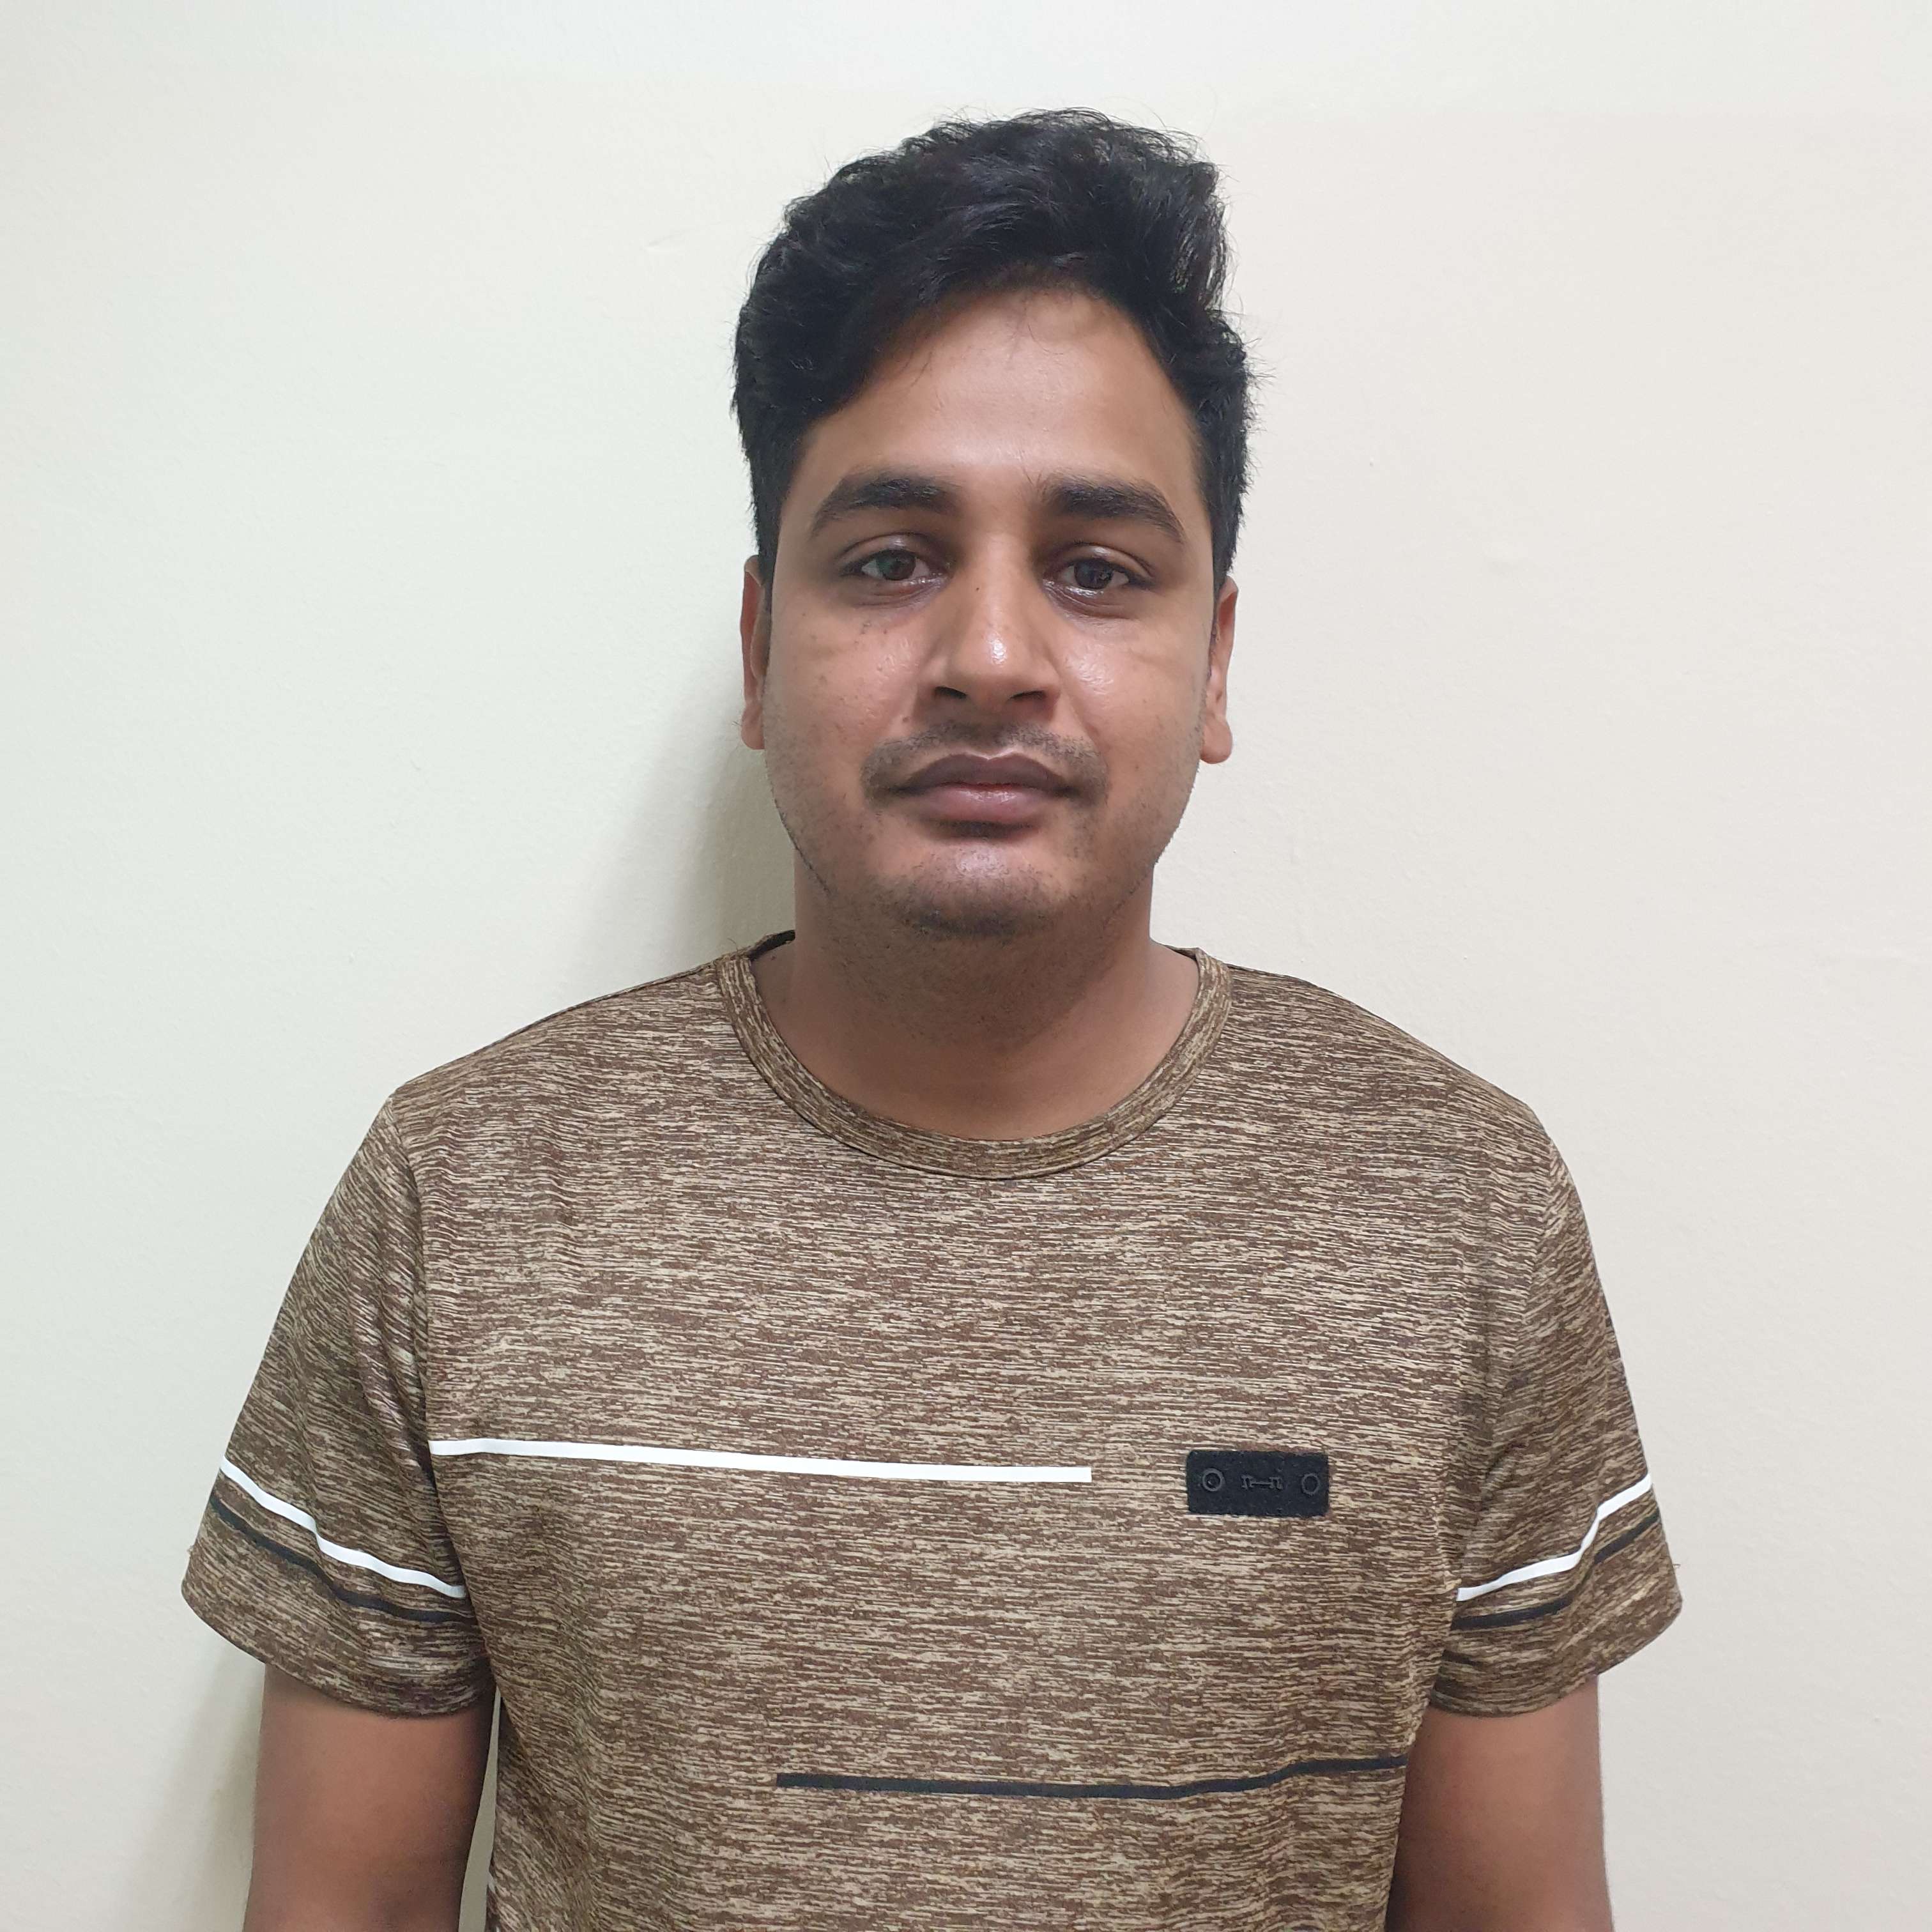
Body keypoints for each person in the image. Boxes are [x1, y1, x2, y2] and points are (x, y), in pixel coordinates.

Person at [183, 109, 1681, 1931]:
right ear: (760, 649)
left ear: (1216, 661)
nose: (990, 658)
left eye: (1096, 567)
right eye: (893, 557)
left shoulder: (1457, 1210)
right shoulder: (464, 1198)